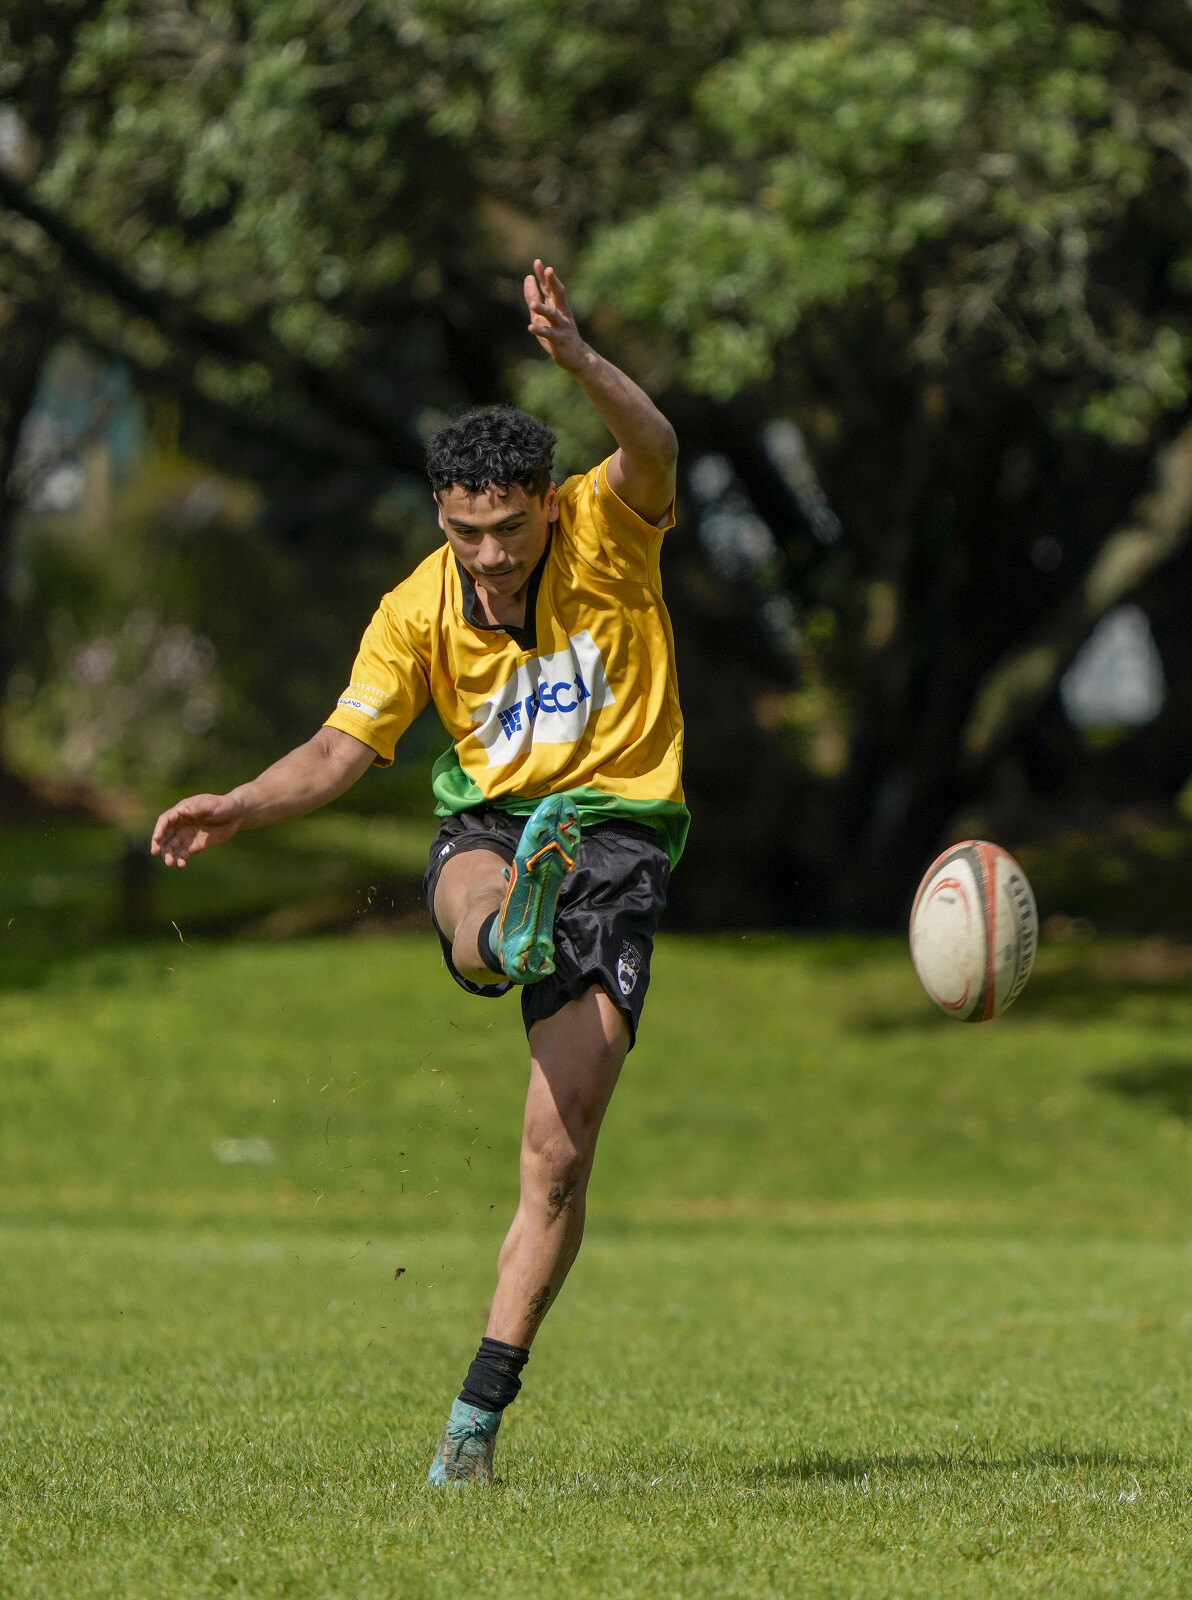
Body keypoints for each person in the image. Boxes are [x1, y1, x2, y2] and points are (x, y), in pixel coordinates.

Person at [150, 260, 687, 1485]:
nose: (488, 555)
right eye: (463, 532)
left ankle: (473, 1423)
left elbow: (654, 446)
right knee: (472, 894)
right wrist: (239, 804)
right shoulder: (415, 608)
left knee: (557, 1154)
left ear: (546, 503)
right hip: (494, 825)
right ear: (440, 516)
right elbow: (340, 750)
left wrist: (579, 360)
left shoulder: (609, 527)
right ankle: (507, 935)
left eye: (508, 529)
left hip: (616, 834)